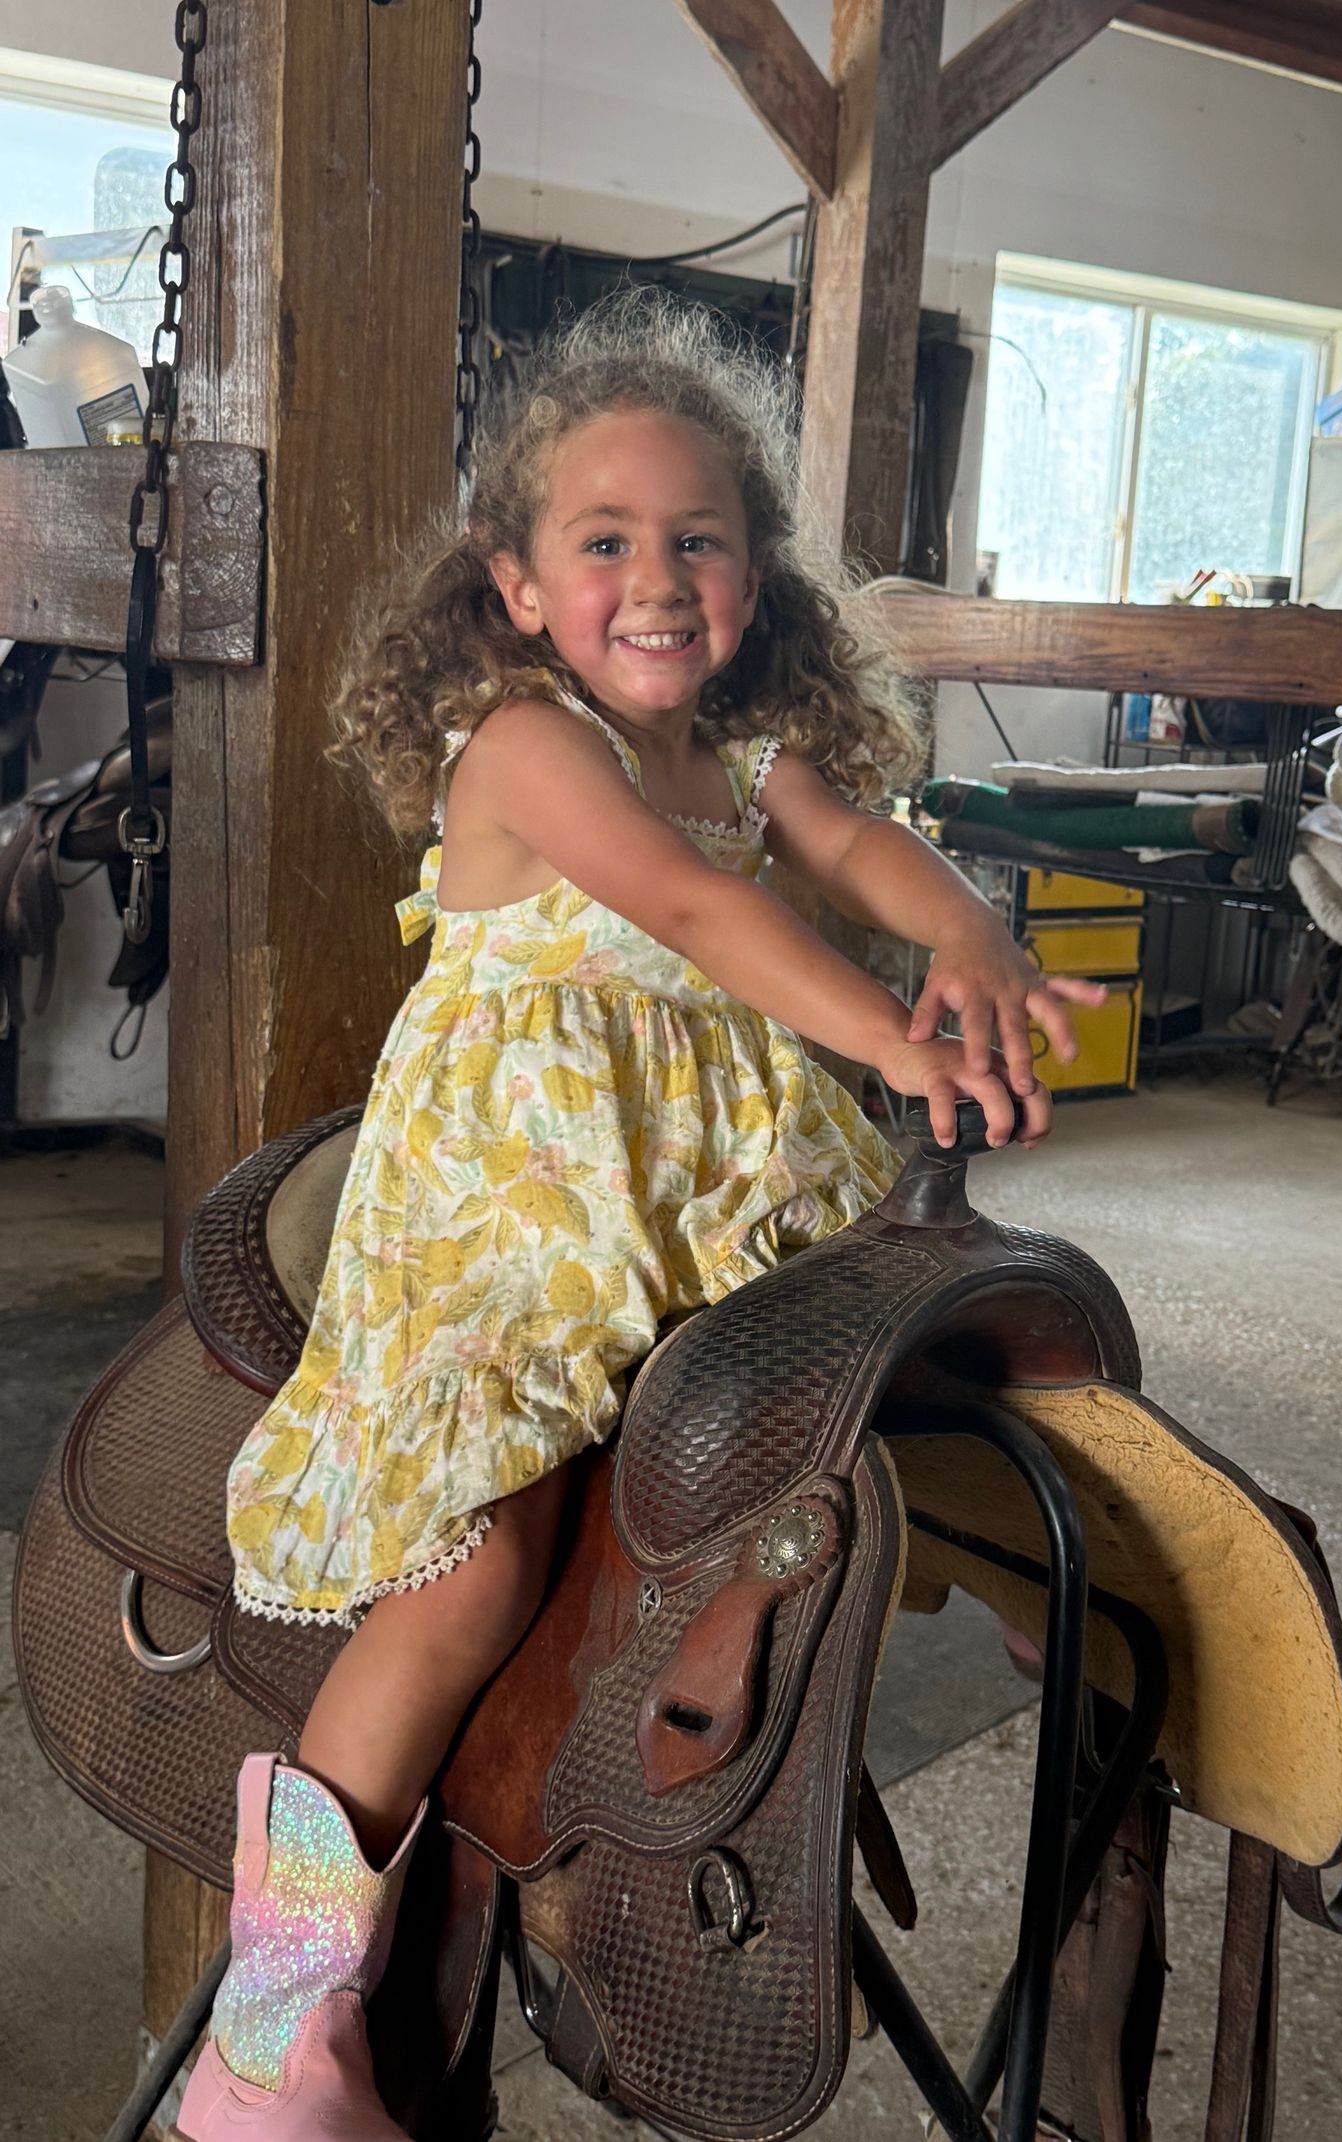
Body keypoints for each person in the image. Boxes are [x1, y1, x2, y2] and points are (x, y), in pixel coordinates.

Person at [176, 291, 1102, 2141]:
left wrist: (970, 932)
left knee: (897, 1367)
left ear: (758, 577)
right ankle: (264, 2039)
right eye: (605, 542)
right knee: (475, 1570)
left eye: (703, 540)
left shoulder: (748, 757)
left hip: (695, 1202)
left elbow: (850, 846)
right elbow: (699, 917)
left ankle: (1050, 1599)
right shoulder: (522, 747)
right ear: (517, 586)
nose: (659, 577)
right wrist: (898, 1041)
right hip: (513, 1226)